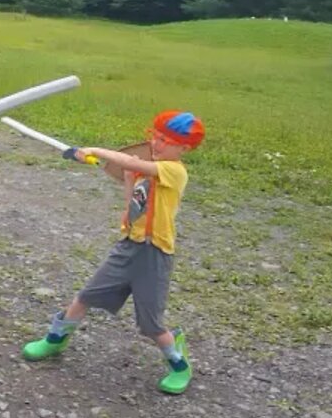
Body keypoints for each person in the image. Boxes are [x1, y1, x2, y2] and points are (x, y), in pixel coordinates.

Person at [21, 110, 205, 395]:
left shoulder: (174, 171)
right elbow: (132, 202)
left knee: (151, 324)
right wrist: (131, 179)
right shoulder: (148, 170)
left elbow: (131, 160)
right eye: (155, 137)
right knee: (86, 296)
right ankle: (56, 338)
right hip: (128, 246)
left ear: (184, 148)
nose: (157, 144)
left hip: (153, 255)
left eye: (165, 141)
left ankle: (179, 364)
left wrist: (94, 150)